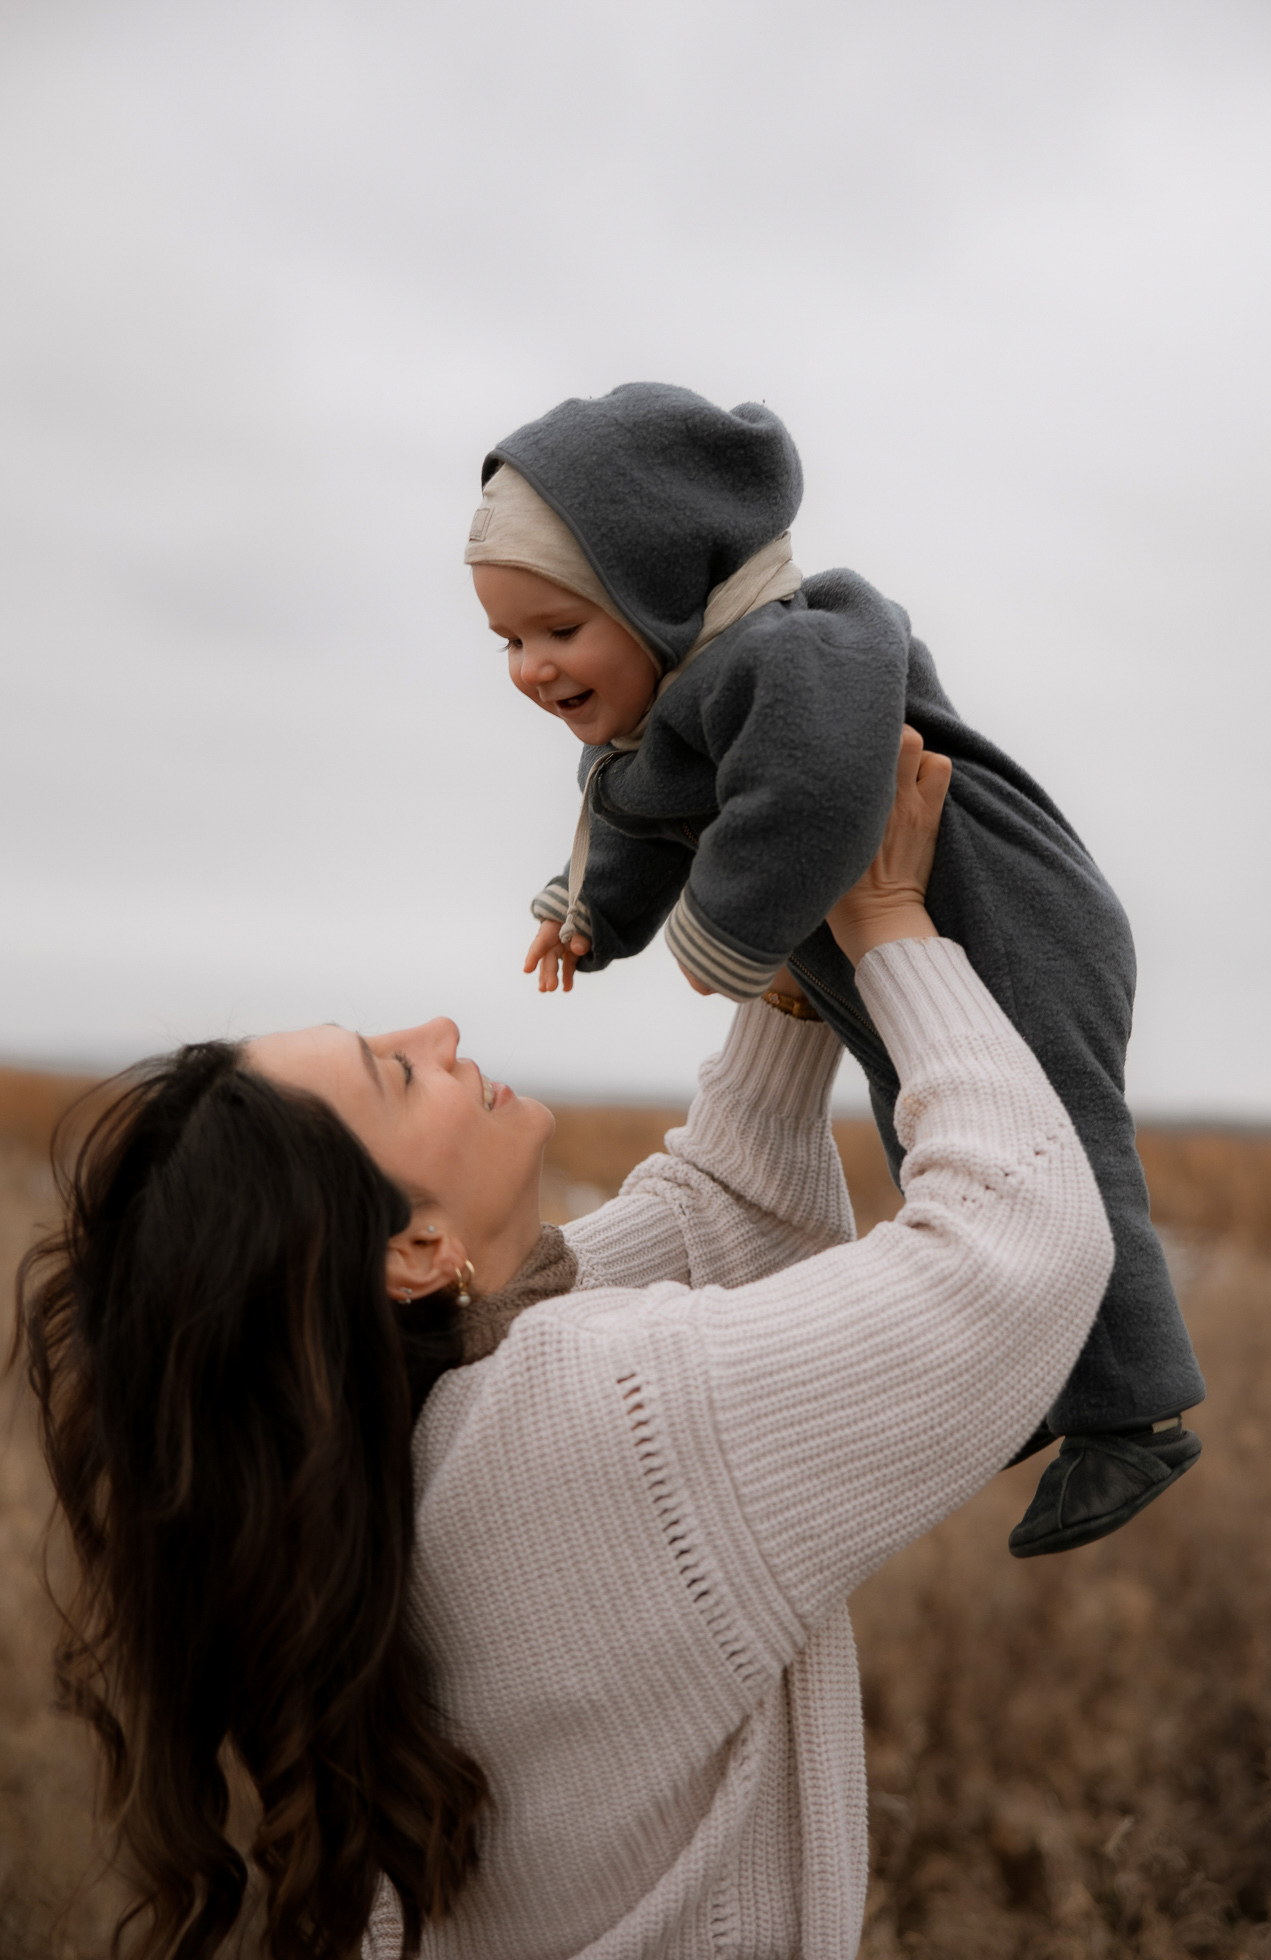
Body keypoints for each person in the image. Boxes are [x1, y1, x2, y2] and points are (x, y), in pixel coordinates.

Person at [18, 733, 1115, 1960]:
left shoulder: (421, 1431)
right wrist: (889, 927)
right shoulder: (585, 1425)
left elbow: (723, 1217)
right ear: (415, 1250)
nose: (436, 1028)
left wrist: (793, 948)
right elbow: (1017, 1248)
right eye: (393, 1071)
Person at [465, 380, 1204, 1558]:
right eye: (507, 638)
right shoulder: (674, 708)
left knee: (1048, 1143)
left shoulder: (800, 645)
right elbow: (638, 813)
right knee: (932, 1138)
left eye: (557, 630)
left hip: (1003, 910)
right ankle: (1034, 1377)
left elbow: (811, 792)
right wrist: (592, 917)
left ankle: (1131, 1415)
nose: (528, 666)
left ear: (656, 592)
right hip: (890, 939)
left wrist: (724, 930)